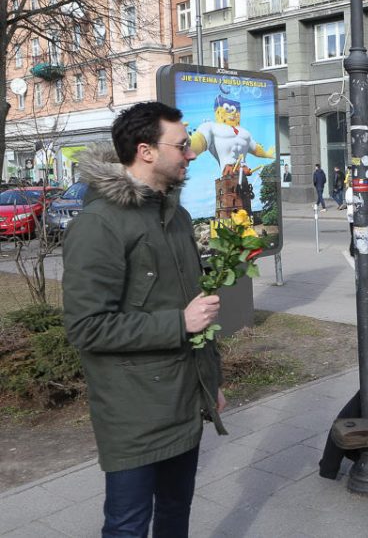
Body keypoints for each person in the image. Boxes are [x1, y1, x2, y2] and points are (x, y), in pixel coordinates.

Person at [62, 101, 226, 537]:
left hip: (183, 400)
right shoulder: (99, 224)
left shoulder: (175, 215)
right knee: (128, 525)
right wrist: (180, 323)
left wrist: (212, 382)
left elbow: (195, 309)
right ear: (146, 151)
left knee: (175, 514)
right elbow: (86, 326)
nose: (191, 153)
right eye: (182, 145)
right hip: (133, 413)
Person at [345, 184, 355, 257]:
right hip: (353, 211)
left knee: (352, 232)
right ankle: (352, 250)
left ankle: (352, 249)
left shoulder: (348, 190)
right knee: (354, 233)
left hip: (349, 211)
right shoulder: (352, 190)